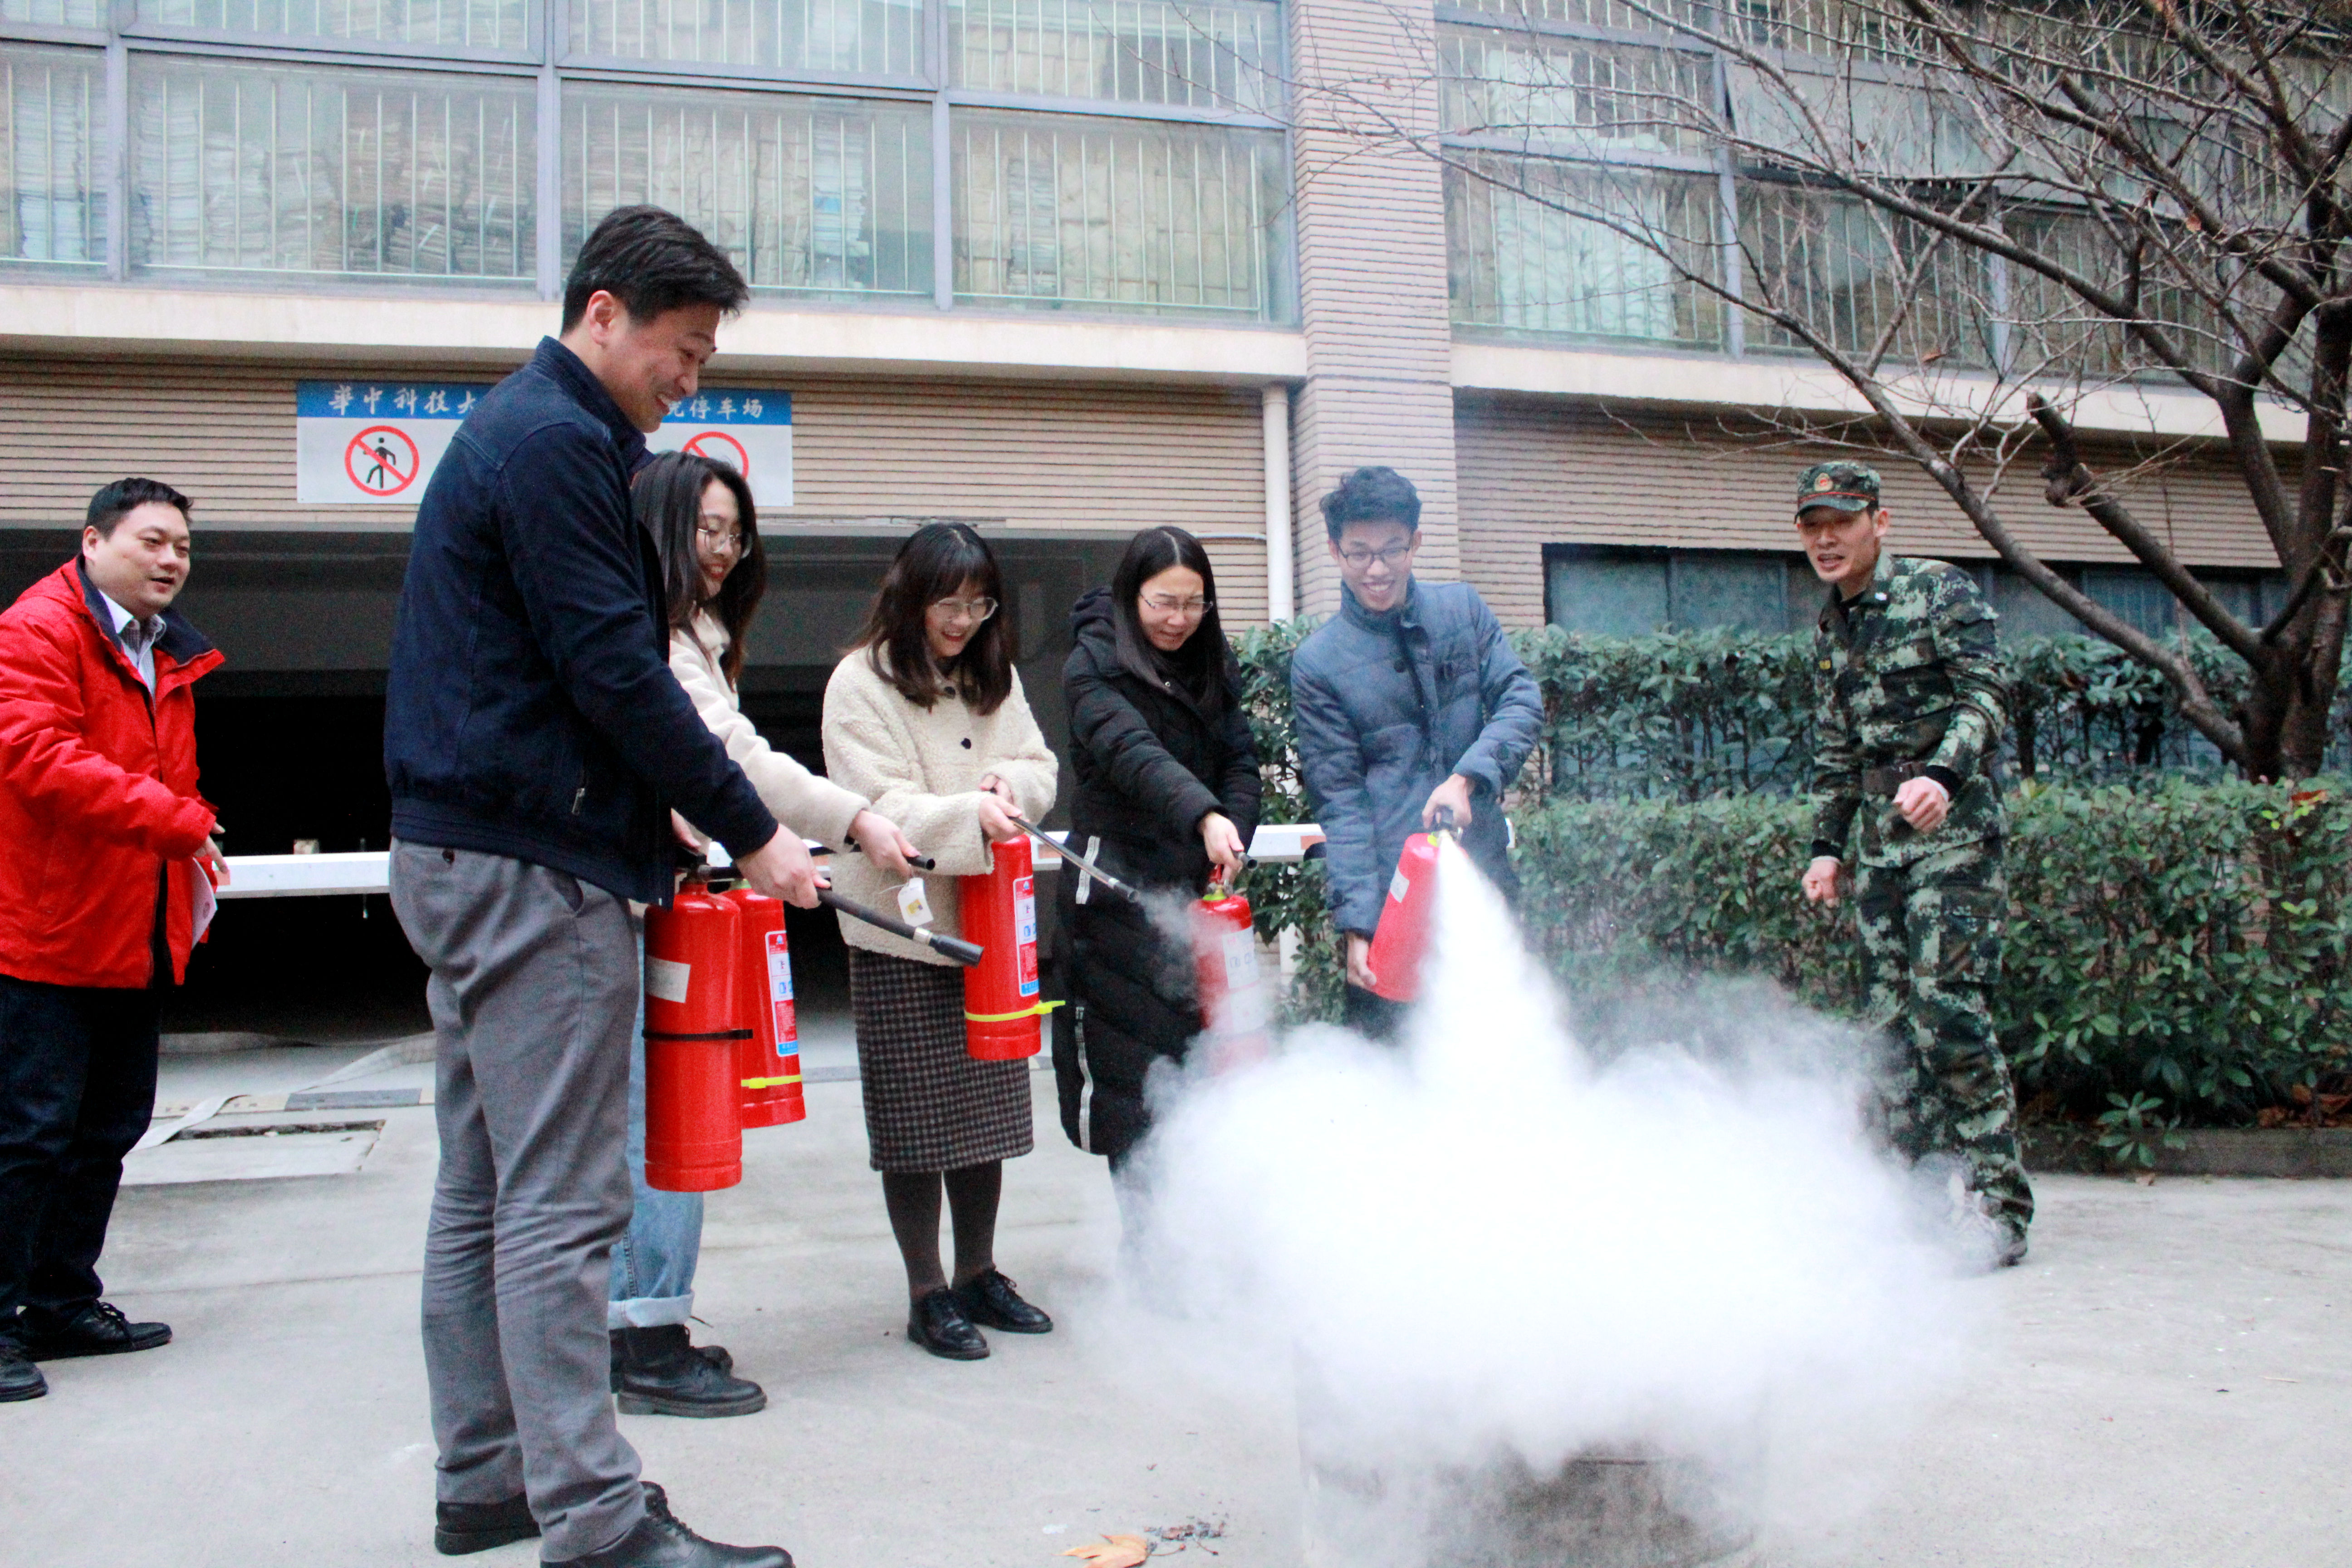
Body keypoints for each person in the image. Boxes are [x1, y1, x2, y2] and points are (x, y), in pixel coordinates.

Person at [383, 206, 808, 1568]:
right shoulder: (561, 442)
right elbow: (615, 670)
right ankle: (593, 1514)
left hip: (467, 851)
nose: (694, 379)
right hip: (531, 867)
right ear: (607, 311)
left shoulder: (532, 431)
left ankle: (487, 1480)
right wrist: (753, 833)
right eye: (684, 350)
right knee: (565, 1207)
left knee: (486, 1192)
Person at [608, 451, 919, 1415]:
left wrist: (842, 822)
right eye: (706, 529)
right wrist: (841, 821)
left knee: (649, 1116)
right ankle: (641, 1338)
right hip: (615, 909)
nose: (723, 550)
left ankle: (637, 1325)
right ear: (661, 525)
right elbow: (723, 757)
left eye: (736, 534)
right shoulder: (644, 631)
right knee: (649, 1122)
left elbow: (731, 757)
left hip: (644, 901)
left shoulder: (687, 634)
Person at [0, 478, 227, 1406]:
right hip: (44, 934)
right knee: (28, 1135)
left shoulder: (164, 651)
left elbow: (166, 777)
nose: (171, 560)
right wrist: (175, 820)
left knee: (107, 1128)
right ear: (92, 542)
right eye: (151, 542)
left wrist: (182, 840)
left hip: (132, 932)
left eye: (182, 546)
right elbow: (36, 755)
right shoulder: (37, 629)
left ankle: (60, 1301)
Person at [821, 522, 1059, 1362]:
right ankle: (927, 1290)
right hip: (903, 928)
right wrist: (971, 813)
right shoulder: (860, 682)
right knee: (916, 1119)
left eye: (977, 604)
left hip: (988, 921)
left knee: (987, 1108)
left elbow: (1038, 761)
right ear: (910, 595)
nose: (962, 621)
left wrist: (1010, 784)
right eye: (948, 604)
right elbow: (873, 801)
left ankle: (980, 1271)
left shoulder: (993, 675)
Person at [1794, 460, 2033, 1268]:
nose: (1824, 538)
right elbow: (1835, 753)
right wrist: (1826, 849)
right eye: (1810, 525)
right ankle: (1911, 1202)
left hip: (1955, 837)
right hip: (1879, 848)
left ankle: (1999, 1206)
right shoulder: (1831, 627)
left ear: (1878, 522)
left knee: (1947, 1013)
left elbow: (1987, 696)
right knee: (1887, 1029)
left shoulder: (1940, 592)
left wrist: (1943, 772)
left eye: (1840, 521)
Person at [1288, 466, 1542, 1041]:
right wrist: (1357, 922)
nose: (1376, 570)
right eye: (1358, 554)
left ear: (1416, 543)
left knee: (1496, 1044)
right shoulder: (1318, 663)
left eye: (1391, 550)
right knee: (1392, 1070)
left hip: (1481, 873)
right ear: (1334, 550)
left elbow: (1521, 698)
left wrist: (1468, 778)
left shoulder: (1462, 611)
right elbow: (1342, 801)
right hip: (1389, 899)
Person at [1050, 526, 1261, 1184]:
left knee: (1213, 1078)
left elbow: (1241, 762)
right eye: (1162, 602)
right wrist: (1203, 815)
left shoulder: (1211, 661)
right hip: (1113, 894)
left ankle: (1204, 1253)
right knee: (1131, 1094)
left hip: (1196, 892)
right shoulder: (1092, 663)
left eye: (1193, 604)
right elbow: (1133, 754)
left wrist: (1232, 834)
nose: (1178, 620)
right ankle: (1150, 1267)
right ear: (1129, 596)